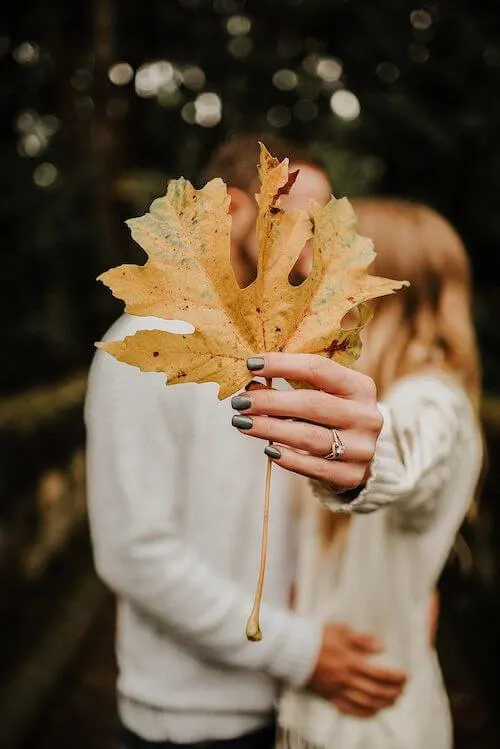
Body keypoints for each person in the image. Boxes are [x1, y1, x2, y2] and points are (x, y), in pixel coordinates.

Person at [85, 137, 407, 749]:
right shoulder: (146, 347)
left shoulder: (294, 348)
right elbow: (134, 552)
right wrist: (302, 651)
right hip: (189, 717)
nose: (311, 242)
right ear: (234, 207)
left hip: (286, 706)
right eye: (297, 220)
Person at [233, 198, 482, 748]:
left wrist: (367, 460)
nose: (309, 281)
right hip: (320, 713)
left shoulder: (433, 398)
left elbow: (413, 451)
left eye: (328, 262)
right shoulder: (400, 389)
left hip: (374, 727)